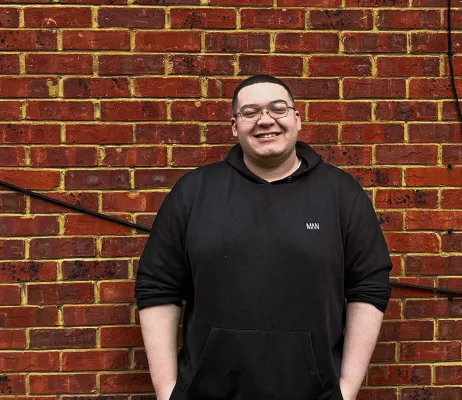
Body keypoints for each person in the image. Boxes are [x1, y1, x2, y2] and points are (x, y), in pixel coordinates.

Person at [134, 74, 393, 400]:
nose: (265, 120)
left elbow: (369, 285)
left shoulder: (340, 194)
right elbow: (157, 286)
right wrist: (166, 390)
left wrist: (347, 389)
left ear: (297, 119)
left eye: (277, 108)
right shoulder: (194, 192)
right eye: (250, 112)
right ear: (234, 126)